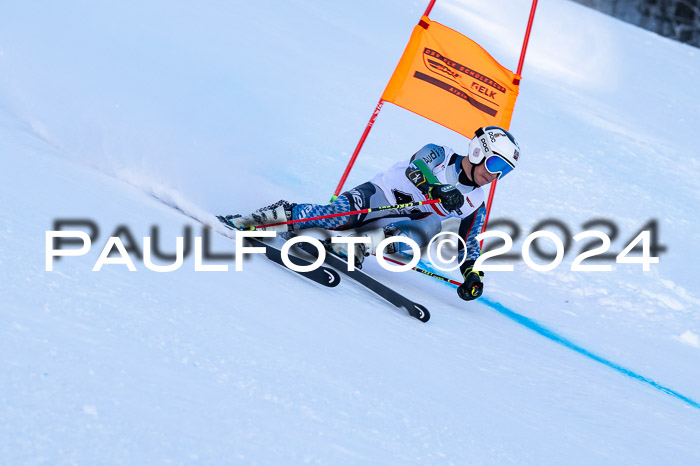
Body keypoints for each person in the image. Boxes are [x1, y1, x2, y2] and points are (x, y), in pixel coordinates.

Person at [225, 126, 521, 302]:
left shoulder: (475, 201)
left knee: (429, 228)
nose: (495, 175)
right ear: (479, 152)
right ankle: (272, 217)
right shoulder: (440, 153)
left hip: (394, 224)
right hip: (376, 197)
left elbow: (467, 244)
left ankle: (349, 247)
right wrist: (437, 189)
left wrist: (473, 274)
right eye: (495, 165)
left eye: (504, 172)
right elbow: (416, 168)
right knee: (333, 216)